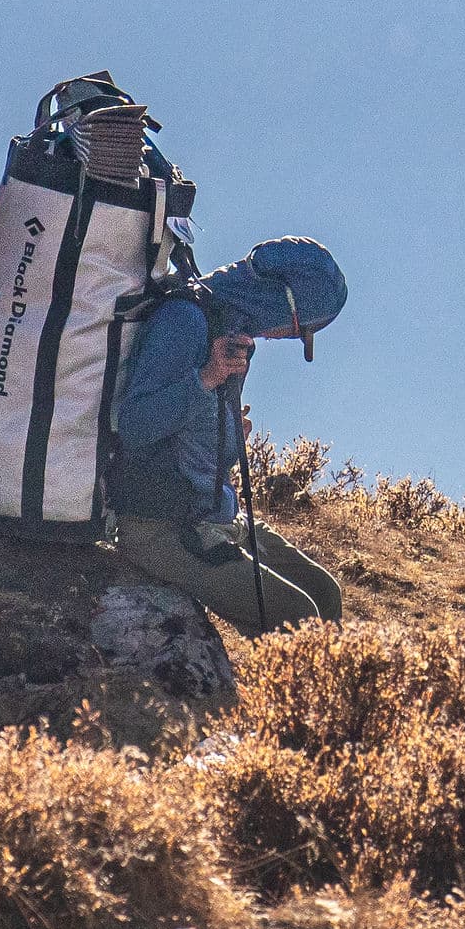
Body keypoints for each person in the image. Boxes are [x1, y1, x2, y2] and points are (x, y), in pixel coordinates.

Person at [110, 236, 348, 634]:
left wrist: (231, 435)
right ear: (283, 302)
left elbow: (197, 444)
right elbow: (134, 425)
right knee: (299, 614)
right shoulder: (185, 322)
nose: (282, 338)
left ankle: (307, 694)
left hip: (214, 511)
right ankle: (289, 695)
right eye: (296, 330)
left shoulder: (230, 330)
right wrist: (206, 379)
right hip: (160, 524)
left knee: (326, 594)